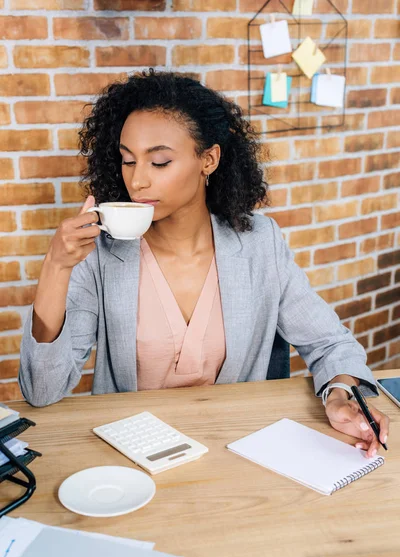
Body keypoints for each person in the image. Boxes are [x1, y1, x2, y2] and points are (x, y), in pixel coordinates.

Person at [19, 69, 389, 458]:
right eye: (128, 161)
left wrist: (339, 394)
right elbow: (42, 391)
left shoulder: (261, 245)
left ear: (208, 159)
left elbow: (329, 342)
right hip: (130, 459)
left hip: (240, 451)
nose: (138, 181)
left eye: (159, 162)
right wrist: (56, 268)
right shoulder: (102, 255)